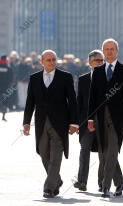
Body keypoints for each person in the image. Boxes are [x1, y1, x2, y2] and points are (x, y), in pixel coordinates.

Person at [23, 50, 79, 198]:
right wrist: (26, 122)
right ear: (42, 62)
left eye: (54, 59)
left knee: (55, 156)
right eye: (48, 60)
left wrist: (74, 122)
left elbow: (72, 100)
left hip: (60, 123)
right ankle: (57, 180)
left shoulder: (65, 77)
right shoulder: (34, 78)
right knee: (43, 153)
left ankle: (48, 188)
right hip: (41, 122)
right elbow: (30, 102)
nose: (51, 62)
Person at [88, 38, 123, 198]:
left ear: (117, 51)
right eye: (106, 49)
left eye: (112, 49)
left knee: (112, 151)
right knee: (105, 151)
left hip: (117, 119)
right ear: (103, 51)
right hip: (100, 118)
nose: (109, 52)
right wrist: (90, 118)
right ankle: (120, 182)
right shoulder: (98, 71)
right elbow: (92, 97)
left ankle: (106, 186)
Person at [73, 50, 104, 191]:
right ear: (90, 62)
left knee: (103, 153)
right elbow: (79, 102)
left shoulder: (107, 78)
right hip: (86, 122)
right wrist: (78, 123)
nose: (100, 63)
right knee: (84, 150)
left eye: (101, 60)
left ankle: (102, 182)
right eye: (97, 60)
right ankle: (82, 181)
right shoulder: (83, 79)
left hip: (103, 122)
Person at [0, 54, 13, 121]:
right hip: (5, 87)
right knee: (5, 101)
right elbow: (11, 78)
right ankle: (3, 116)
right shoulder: (9, 68)